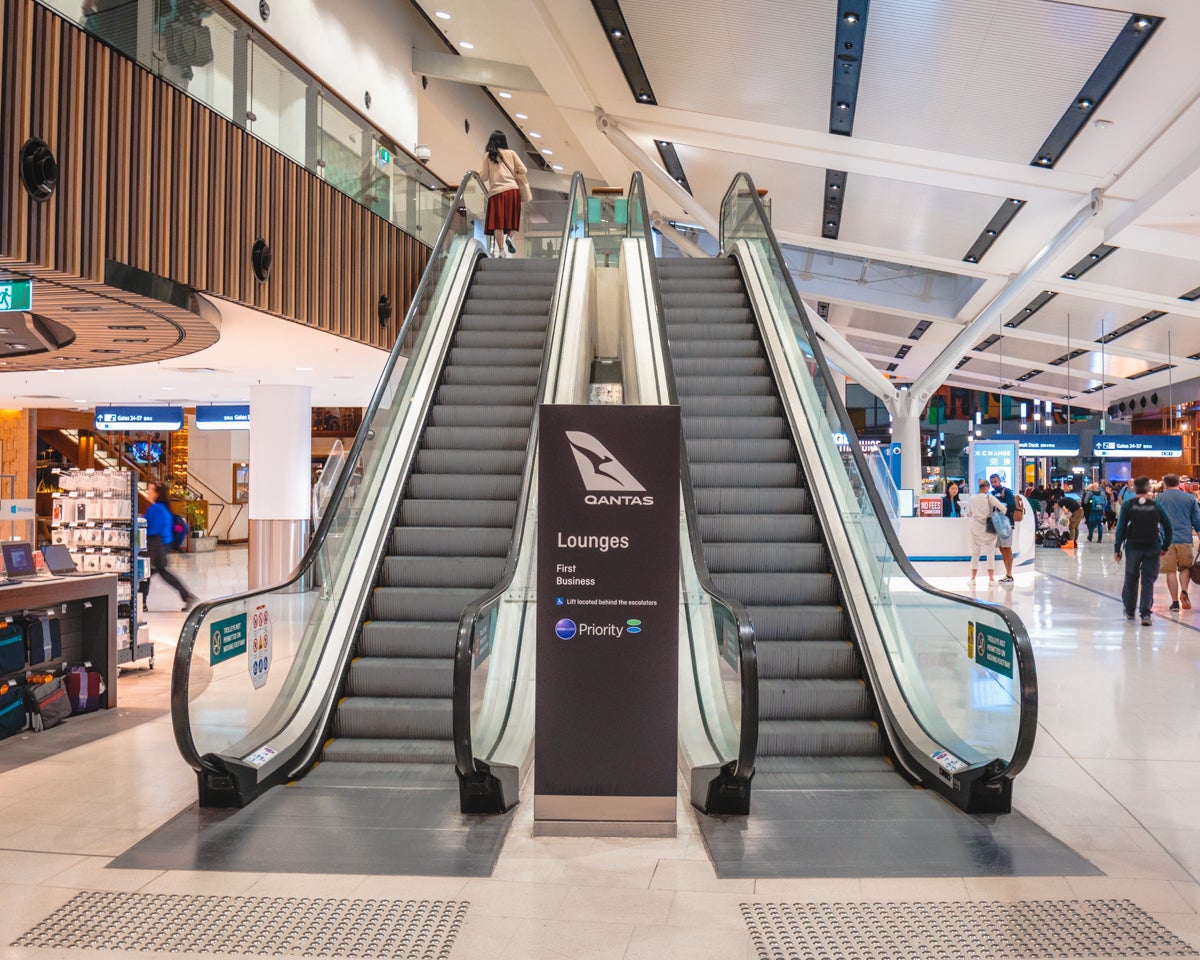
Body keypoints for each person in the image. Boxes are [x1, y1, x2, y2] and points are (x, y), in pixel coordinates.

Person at [1113, 476, 1172, 627]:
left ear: (1134, 489)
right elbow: (1168, 527)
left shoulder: (1128, 505)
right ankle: (1145, 614)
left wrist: (1117, 549)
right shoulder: (1156, 506)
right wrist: (1165, 547)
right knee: (1148, 581)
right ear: (1148, 489)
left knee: (1131, 578)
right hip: (1152, 546)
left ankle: (1130, 610)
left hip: (1133, 546)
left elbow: (1120, 529)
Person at [143, 481, 196, 611]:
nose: (148, 493)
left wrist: (141, 523)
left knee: (147, 573)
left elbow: (152, 529)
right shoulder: (164, 508)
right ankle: (142, 603)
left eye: (150, 490)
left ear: (157, 493)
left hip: (156, 545)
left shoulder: (156, 508)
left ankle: (141, 603)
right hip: (164, 544)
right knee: (149, 573)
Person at [1154, 473, 1200, 612]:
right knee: (1185, 567)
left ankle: (1174, 602)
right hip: (1184, 538)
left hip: (1166, 540)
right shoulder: (1189, 498)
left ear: (1165, 484)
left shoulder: (1159, 498)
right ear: (1179, 482)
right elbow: (1197, 521)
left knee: (1170, 571)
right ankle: (1184, 591)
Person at [479, 131, 527, 259]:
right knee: (512, 220)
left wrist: (477, 172)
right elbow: (524, 170)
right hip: (512, 190)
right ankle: (510, 238)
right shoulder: (511, 153)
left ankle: (501, 251)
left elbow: (483, 176)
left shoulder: (488, 156)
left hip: (496, 192)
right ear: (504, 141)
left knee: (497, 223)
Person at [965, 478, 1006, 584]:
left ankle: (973, 579)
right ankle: (991, 579)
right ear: (986, 487)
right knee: (990, 554)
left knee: (975, 554)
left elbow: (968, 512)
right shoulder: (989, 497)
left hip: (976, 529)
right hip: (989, 530)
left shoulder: (972, 498)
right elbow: (1003, 508)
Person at [988, 473, 1017, 583]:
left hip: (1006, 525)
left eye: (995, 481)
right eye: (992, 482)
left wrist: (1001, 508)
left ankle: (1009, 574)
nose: (994, 484)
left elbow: (1012, 506)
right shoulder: (993, 493)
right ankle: (1007, 574)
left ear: (1000, 481)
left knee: (1007, 548)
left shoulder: (1007, 491)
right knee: (1002, 548)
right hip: (997, 525)